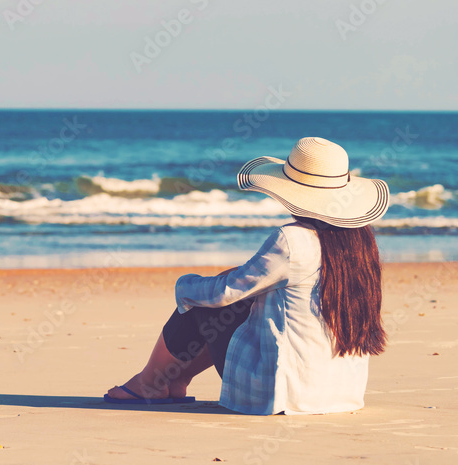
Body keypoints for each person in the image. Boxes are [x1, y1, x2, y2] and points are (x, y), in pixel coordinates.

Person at [104, 137, 390, 415]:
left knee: (200, 303)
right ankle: (176, 379)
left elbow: (224, 293)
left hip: (281, 393)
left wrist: (184, 285)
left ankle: (149, 383)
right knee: (241, 305)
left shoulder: (292, 239)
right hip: (342, 393)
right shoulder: (361, 242)